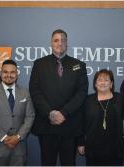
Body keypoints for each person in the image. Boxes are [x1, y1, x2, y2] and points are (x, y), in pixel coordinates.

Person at [29, 29, 88, 165]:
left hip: (70, 125)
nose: (60, 43)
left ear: (67, 43)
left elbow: (82, 92)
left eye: (63, 40)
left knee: (69, 163)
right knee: (47, 163)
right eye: (56, 40)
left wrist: (64, 113)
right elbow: (35, 91)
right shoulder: (39, 64)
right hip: (47, 125)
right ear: (51, 43)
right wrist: (50, 113)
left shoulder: (79, 65)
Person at [0, 59, 35, 166]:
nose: (9, 75)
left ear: (17, 74)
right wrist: (4, 138)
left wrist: (18, 137)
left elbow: (30, 116)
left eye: (12, 72)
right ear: (1, 74)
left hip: (19, 148)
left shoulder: (25, 93)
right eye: (5, 72)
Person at [77, 69, 124, 166]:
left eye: (106, 80)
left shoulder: (120, 99)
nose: (103, 83)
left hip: (115, 149)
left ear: (111, 84)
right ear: (95, 84)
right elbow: (80, 123)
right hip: (93, 149)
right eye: (99, 80)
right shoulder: (87, 100)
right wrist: (80, 142)